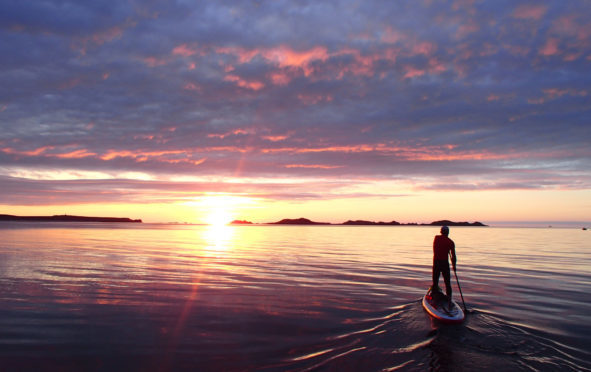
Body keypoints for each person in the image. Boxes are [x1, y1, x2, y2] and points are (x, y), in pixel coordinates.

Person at [432, 226, 456, 303]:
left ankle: (434, 296)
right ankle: (449, 299)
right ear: (448, 232)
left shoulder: (436, 238)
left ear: (441, 232)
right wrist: (454, 266)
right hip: (444, 263)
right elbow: (453, 256)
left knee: (435, 281)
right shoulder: (451, 242)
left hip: (437, 262)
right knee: (447, 282)